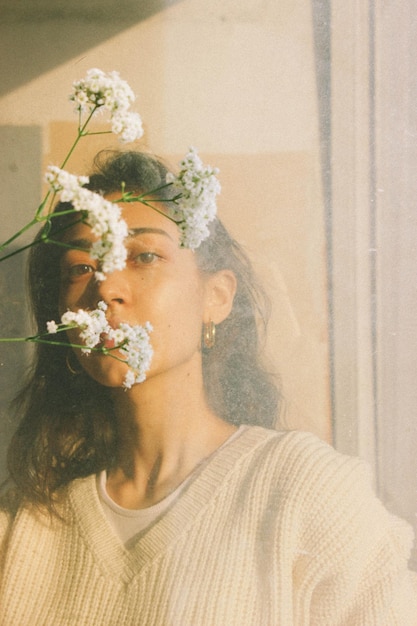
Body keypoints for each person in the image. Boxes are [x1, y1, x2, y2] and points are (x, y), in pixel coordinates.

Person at [0, 150, 415, 625]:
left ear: (216, 297)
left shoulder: (307, 492)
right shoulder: (24, 525)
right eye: (79, 268)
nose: (105, 288)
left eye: (145, 257)